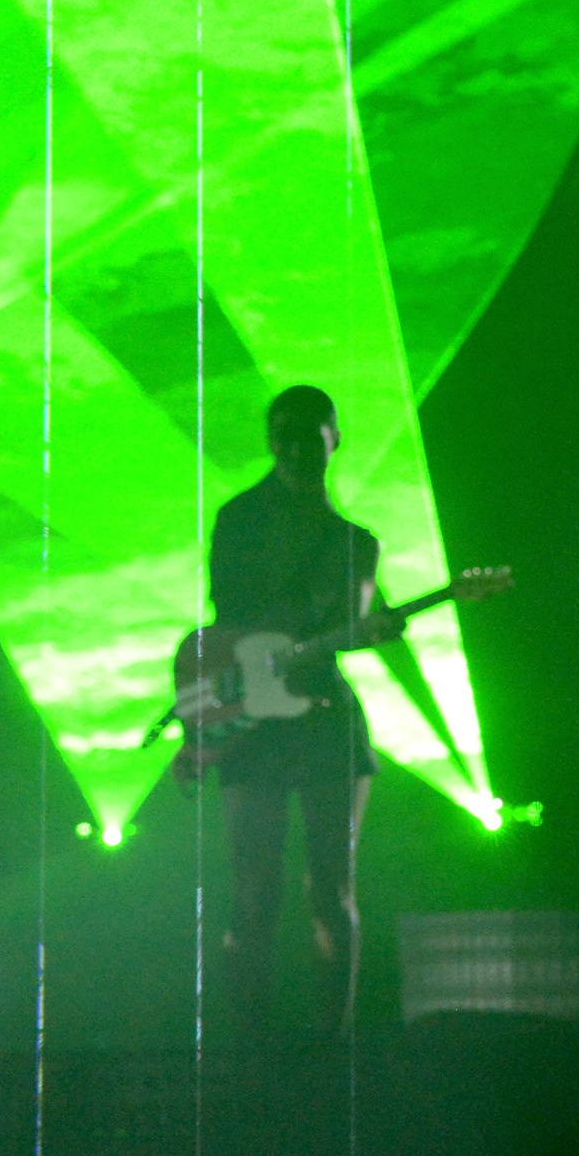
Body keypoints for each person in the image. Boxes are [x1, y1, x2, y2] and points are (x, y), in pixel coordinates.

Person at [207, 385, 402, 1038]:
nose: (297, 447)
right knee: (254, 892)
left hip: (324, 718)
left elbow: (349, 623)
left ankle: (333, 1048)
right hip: (255, 722)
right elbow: (226, 620)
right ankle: (248, 1052)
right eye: (284, 432)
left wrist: (365, 628)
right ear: (270, 440)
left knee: (331, 889)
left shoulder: (355, 542)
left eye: (310, 432)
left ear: (334, 439)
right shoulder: (236, 522)